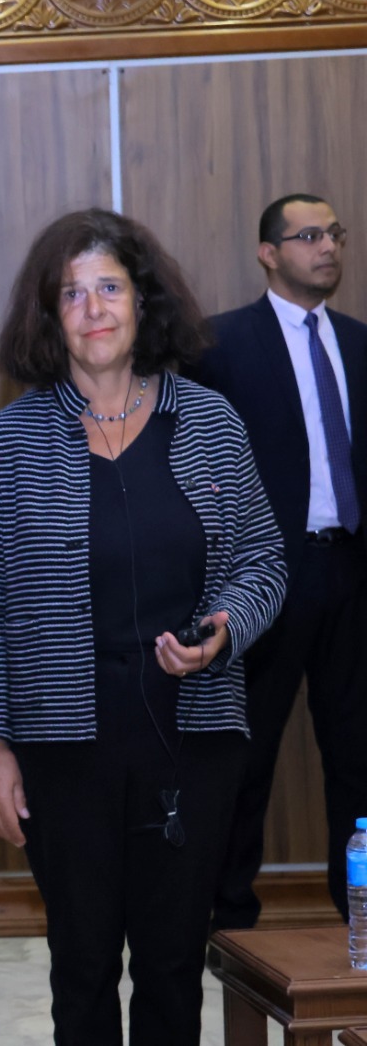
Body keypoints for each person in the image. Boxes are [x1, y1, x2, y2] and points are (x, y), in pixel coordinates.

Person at [0, 209, 286, 1044]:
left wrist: (224, 629)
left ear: (143, 301)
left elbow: (264, 562)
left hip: (193, 738)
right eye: (72, 293)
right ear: (48, 315)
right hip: (62, 750)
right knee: (83, 966)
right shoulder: (11, 441)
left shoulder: (211, 421)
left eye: (110, 287)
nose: (94, 308)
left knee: (172, 968)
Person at [188, 193, 367, 929]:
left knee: (358, 757)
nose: (328, 247)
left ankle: (359, 912)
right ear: (269, 252)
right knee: (247, 754)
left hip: (351, 572)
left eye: (335, 234)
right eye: (310, 235)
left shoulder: (358, 342)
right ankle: (228, 916)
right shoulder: (218, 345)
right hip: (265, 577)